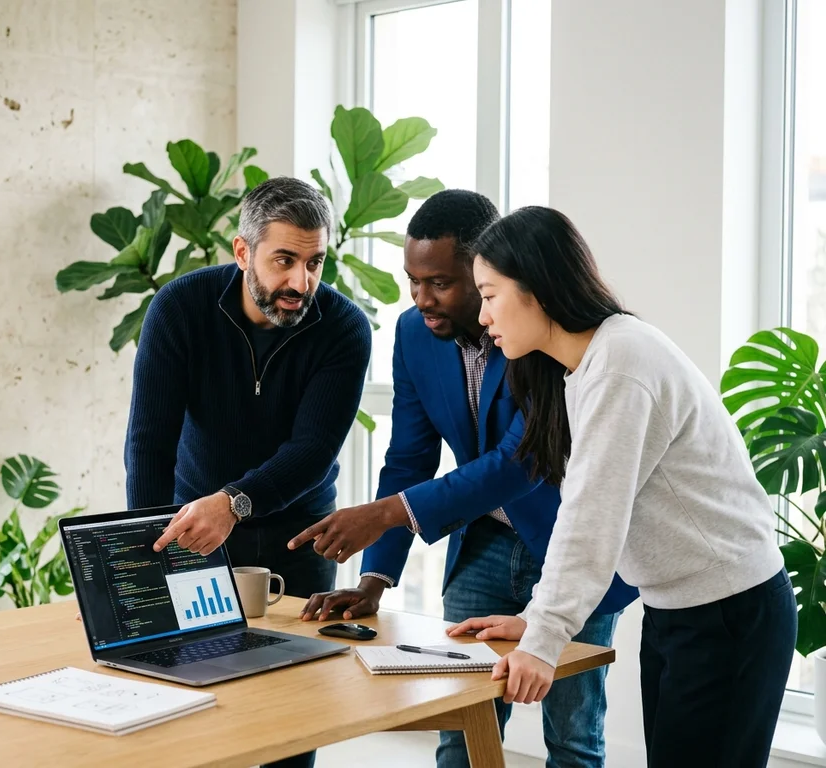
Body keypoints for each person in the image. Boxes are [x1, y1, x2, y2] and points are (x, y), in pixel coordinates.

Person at [290, 190, 637, 768]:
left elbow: (519, 461)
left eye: (440, 283)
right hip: (481, 545)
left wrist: (384, 513)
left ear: (484, 271)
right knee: (460, 726)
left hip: (570, 549)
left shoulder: (536, 329)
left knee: (573, 738)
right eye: (413, 281)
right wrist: (375, 578)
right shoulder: (412, 334)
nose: (422, 298)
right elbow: (408, 458)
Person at [446, 205, 794, 767]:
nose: (483, 316)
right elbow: (587, 509)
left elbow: (592, 517)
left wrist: (543, 638)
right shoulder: (582, 368)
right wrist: (535, 620)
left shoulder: (620, 363)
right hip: (679, 609)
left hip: (728, 611)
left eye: (490, 294)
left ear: (537, 288)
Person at [124, 176, 372, 768]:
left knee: (293, 720)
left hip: (299, 540)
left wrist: (233, 501)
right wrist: (146, 551)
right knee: (199, 712)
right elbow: (150, 442)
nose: (300, 282)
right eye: (284, 260)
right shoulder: (180, 309)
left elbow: (312, 451)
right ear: (243, 252)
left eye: (314, 263)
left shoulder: (343, 327)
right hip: (197, 534)